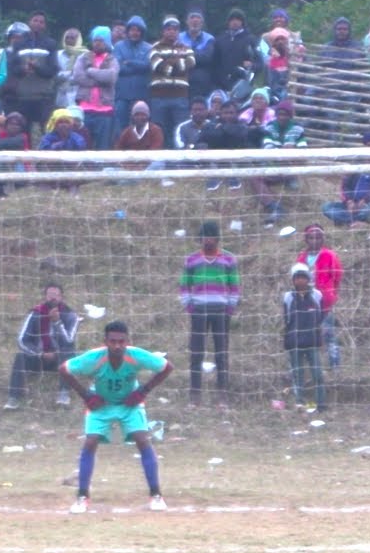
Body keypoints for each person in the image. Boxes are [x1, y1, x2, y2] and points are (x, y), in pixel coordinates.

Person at [59, 320, 173, 514]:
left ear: (127, 341)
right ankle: (82, 497)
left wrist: (143, 391)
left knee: (142, 439)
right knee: (90, 441)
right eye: (113, 341)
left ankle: (156, 496)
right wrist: (86, 396)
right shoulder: (95, 358)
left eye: (122, 341)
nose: (117, 345)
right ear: (105, 341)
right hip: (101, 404)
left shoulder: (136, 355)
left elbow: (166, 367)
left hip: (130, 404)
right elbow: (64, 369)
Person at [179, 220, 240, 408]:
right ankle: (195, 397)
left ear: (217, 238)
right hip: (198, 311)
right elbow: (184, 286)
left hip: (221, 312)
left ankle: (222, 397)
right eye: (204, 237)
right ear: (200, 239)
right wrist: (189, 306)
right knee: (196, 354)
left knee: (221, 353)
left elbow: (234, 286)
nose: (208, 240)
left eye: (211, 236)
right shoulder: (191, 260)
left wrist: (230, 307)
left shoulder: (229, 259)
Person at [4, 284, 79, 410]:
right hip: (38, 358)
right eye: (50, 295)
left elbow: (69, 341)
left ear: (62, 297)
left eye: (56, 295)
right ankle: (14, 397)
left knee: (68, 351)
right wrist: (40, 353)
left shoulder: (70, 315)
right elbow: (22, 340)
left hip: (59, 359)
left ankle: (64, 393)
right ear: (45, 297)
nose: (53, 298)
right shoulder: (35, 313)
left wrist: (57, 322)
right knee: (20, 356)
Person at [295, 224, 343, 370]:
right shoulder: (302, 258)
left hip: (325, 303)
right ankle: (313, 366)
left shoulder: (329, 255)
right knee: (309, 335)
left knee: (328, 333)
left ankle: (335, 365)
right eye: (311, 237)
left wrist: (330, 293)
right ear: (306, 239)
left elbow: (337, 276)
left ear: (322, 239)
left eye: (318, 237)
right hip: (306, 302)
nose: (314, 241)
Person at [322, 130, 370, 224]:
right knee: (327, 207)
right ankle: (356, 220)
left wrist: (366, 200)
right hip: (353, 204)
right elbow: (345, 185)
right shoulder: (356, 162)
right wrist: (349, 201)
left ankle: (349, 220)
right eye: (369, 146)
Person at [283, 263, 326, 414]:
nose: (300, 281)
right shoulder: (288, 297)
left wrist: (320, 340)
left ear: (308, 279)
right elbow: (287, 319)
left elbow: (320, 318)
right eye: (297, 278)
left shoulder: (317, 295)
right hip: (295, 343)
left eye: (303, 278)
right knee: (298, 375)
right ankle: (299, 403)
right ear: (293, 280)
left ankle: (321, 404)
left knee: (317, 374)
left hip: (312, 342)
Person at [148, 16, 195, 139]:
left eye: (175, 29)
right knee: (158, 129)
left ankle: (180, 157)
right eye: (168, 29)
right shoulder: (155, 47)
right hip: (159, 96)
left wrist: (169, 65)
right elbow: (158, 66)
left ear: (178, 32)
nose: (171, 32)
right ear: (163, 31)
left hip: (180, 96)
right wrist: (178, 60)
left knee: (180, 129)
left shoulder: (186, 47)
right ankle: (159, 157)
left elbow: (190, 63)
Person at [74, 27, 118, 149]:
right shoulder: (83, 58)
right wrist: (100, 79)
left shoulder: (112, 59)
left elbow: (111, 77)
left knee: (102, 147)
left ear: (107, 42)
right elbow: (78, 77)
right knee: (83, 145)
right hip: (85, 109)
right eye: (95, 40)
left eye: (101, 40)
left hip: (105, 110)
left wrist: (90, 71)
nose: (98, 43)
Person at [113, 16, 152, 134]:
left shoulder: (148, 47)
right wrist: (137, 66)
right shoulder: (119, 46)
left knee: (140, 126)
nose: (135, 33)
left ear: (142, 32)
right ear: (128, 31)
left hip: (141, 93)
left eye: (138, 30)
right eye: (132, 30)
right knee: (120, 126)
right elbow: (118, 67)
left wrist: (129, 62)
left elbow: (147, 66)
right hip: (122, 94)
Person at [216, 8, 260, 97]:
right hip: (222, 86)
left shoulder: (251, 39)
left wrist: (251, 65)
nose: (235, 22)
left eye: (238, 19)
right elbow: (215, 62)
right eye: (232, 19)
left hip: (242, 86)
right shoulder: (220, 39)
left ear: (242, 22)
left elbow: (260, 63)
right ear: (228, 22)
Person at [180, 11, 217, 98]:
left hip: (202, 83)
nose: (195, 21)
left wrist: (186, 53)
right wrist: (197, 54)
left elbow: (206, 58)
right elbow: (175, 57)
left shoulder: (209, 39)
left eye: (198, 18)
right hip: (182, 81)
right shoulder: (179, 37)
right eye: (192, 18)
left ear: (202, 23)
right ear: (187, 22)